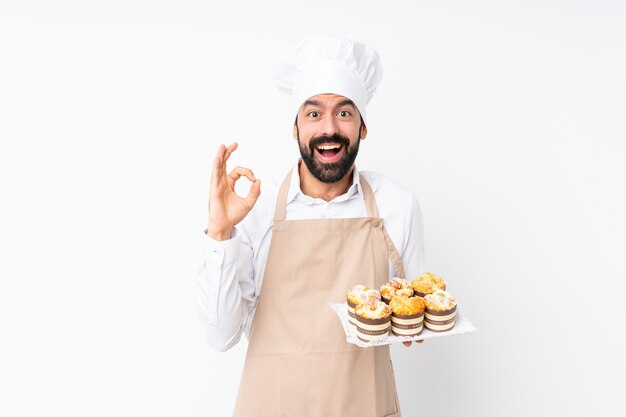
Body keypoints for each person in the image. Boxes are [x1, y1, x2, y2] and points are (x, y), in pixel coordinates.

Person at [197, 36, 425, 417]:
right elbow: (221, 337)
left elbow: (411, 316)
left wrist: (412, 327)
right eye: (314, 113)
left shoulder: (396, 204)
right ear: (295, 127)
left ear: (363, 126)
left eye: (345, 113)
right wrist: (220, 233)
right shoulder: (257, 205)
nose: (329, 129)